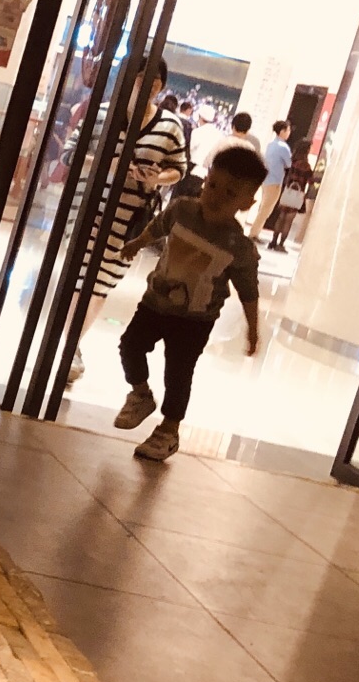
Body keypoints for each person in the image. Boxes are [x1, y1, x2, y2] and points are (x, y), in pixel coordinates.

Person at [111, 142, 265, 462]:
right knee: (130, 345)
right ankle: (140, 394)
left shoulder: (239, 247)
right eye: (213, 185)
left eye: (230, 193)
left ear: (247, 202)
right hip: (155, 302)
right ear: (205, 180)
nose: (216, 196)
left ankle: (168, 430)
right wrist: (138, 243)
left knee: (179, 372)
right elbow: (159, 226)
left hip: (195, 320)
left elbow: (249, 291)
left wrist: (253, 330)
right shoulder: (182, 209)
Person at [67, 56, 188, 385]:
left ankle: (72, 344)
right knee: (81, 278)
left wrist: (156, 177)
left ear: (161, 86)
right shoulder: (102, 114)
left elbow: (179, 168)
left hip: (129, 219)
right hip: (90, 207)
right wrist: (105, 164)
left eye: (155, 81)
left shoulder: (170, 126)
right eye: (140, 78)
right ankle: (69, 347)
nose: (147, 85)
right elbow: (70, 153)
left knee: (102, 283)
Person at [266, 138, 312, 252]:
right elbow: (310, 181)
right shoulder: (306, 166)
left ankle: (273, 241)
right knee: (288, 221)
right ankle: (281, 244)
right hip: (297, 195)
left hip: (287, 192)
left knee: (281, 217)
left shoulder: (292, 162)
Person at [251, 118, 292, 240]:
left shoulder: (271, 145)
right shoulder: (284, 147)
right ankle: (253, 233)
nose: (289, 133)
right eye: (288, 130)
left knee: (263, 207)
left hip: (266, 180)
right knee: (266, 209)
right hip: (275, 182)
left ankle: (256, 232)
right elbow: (289, 164)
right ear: (282, 131)